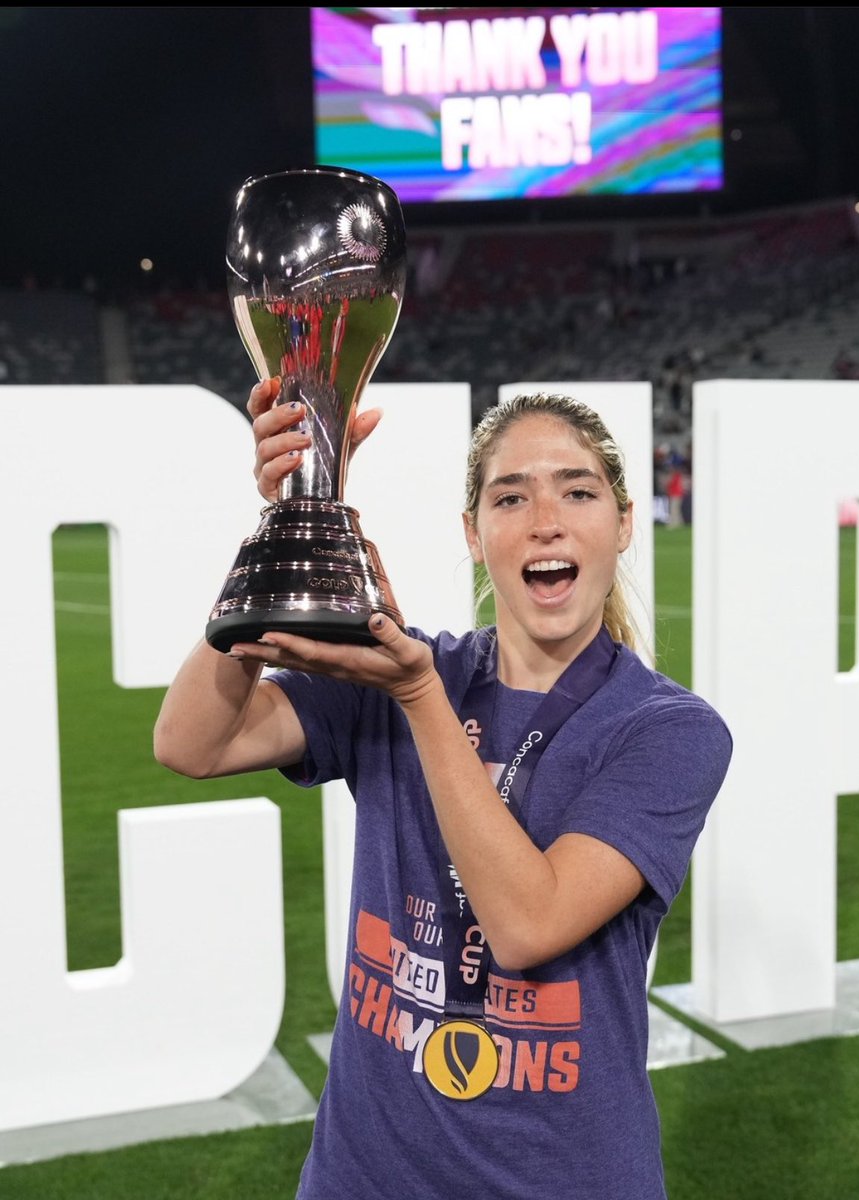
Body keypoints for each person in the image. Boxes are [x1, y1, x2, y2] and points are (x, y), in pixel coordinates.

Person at [154, 383, 733, 1200]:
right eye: (510, 497)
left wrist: (421, 698)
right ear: (473, 534)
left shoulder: (668, 730)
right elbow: (190, 743)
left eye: (577, 490)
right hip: (362, 1178)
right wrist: (292, 519)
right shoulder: (403, 670)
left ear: (624, 522)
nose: (545, 520)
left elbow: (527, 926)